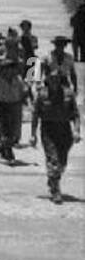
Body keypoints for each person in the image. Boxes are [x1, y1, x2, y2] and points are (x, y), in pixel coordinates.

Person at [31, 68, 81, 204]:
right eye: (51, 79)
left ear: (60, 80)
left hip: (65, 130)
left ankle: (53, 179)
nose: (54, 81)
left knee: (62, 162)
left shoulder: (68, 94)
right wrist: (33, 134)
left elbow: (76, 115)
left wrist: (77, 130)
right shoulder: (42, 95)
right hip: (48, 130)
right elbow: (35, 116)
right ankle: (55, 191)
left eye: (56, 79)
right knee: (53, 160)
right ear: (47, 80)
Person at [0, 59, 30, 163]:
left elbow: (23, 90)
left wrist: (26, 96)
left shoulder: (18, 79)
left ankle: (3, 147)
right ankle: (9, 152)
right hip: (3, 105)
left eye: (11, 68)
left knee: (14, 130)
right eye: (7, 68)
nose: (9, 71)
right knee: (5, 129)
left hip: (15, 105)